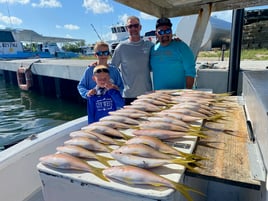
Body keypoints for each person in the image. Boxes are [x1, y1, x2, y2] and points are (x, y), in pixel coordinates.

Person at [111, 16, 153, 105]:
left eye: (136, 26)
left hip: (147, 94)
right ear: (127, 28)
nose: (133, 28)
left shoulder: (150, 45)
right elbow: (112, 68)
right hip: (128, 96)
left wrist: (175, 41)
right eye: (130, 26)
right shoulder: (121, 47)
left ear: (140, 27)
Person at [150, 17, 196, 90]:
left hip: (178, 96)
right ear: (156, 34)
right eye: (161, 32)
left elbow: (190, 72)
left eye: (168, 31)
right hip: (158, 97)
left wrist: (187, 92)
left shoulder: (182, 47)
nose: (165, 34)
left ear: (172, 32)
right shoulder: (153, 49)